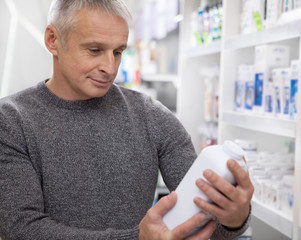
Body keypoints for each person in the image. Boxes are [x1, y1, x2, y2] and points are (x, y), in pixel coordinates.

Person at [0, 0, 254, 239]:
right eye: (94, 50)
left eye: (118, 52)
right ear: (53, 40)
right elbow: (21, 229)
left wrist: (233, 218)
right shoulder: (11, 121)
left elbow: (207, 229)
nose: (110, 67)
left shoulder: (152, 116)